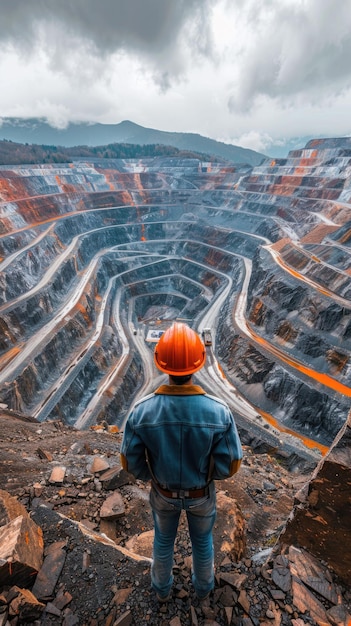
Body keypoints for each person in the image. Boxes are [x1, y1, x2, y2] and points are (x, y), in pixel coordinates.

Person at [120, 322, 243, 602]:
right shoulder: (219, 412)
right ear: (197, 364)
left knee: (163, 542)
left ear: (162, 364)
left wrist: (151, 475)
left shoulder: (142, 412)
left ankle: (162, 592)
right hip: (201, 493)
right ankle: (203, 591)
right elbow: (232, 462)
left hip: (163, 493)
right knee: (202, 543)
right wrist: (210, 475)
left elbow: (130, 461)